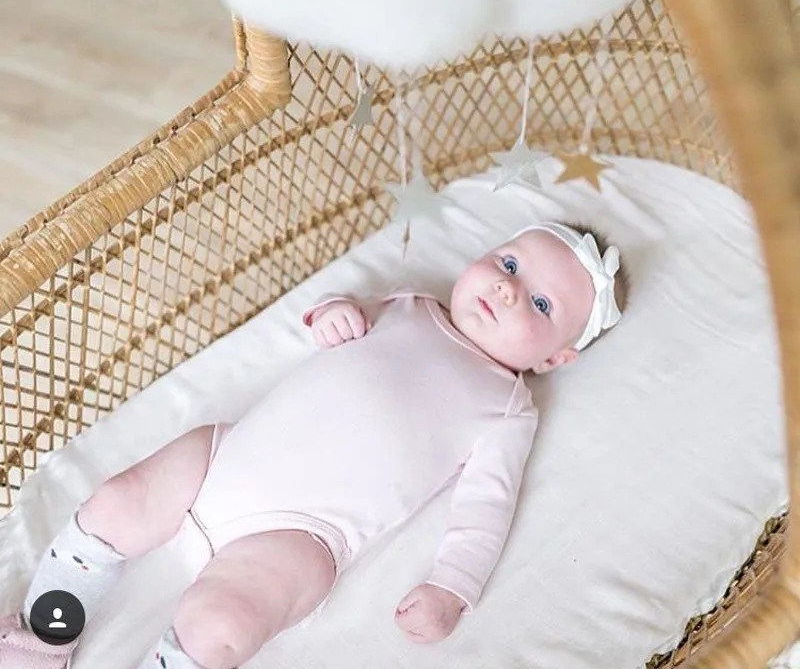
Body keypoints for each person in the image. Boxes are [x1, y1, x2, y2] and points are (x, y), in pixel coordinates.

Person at [0, 221, 629, 669]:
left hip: (301, 534)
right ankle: (40, 641)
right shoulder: (412, 302)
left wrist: (453, 585)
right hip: (223, 459)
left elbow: (488, 506)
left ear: (554, 359)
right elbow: (341, 314)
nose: (508, 289)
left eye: (539, 303)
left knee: (223, 624)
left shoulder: (508, 406)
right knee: (114, 503)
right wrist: (333, 313)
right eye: (509, 265)